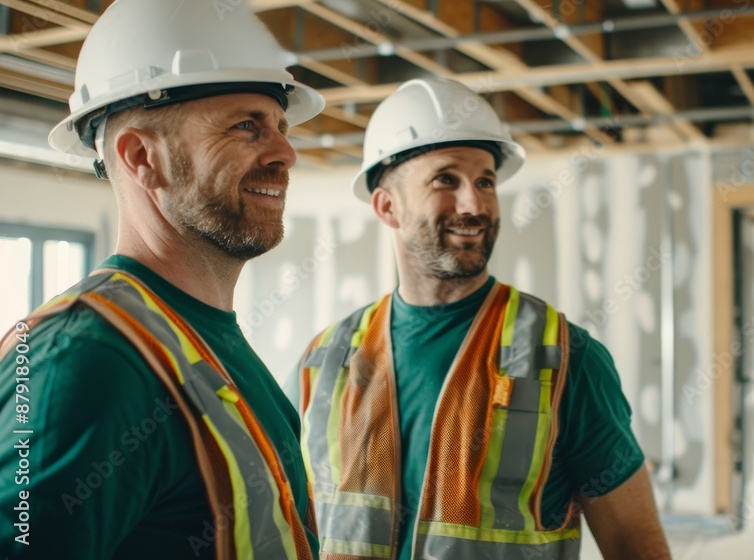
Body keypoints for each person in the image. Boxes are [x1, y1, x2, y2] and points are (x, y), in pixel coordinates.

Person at [285, 78, 671, 559]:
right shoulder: (324, 361)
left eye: (485, 181)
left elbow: (635, 543)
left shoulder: (566, 358)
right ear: (388, 207)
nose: (474, 204)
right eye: (446, 179)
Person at [0, 0, 326, 558]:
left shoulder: (201, 336)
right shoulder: (84, 357)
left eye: (279, 125)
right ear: (142, 157)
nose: (286, 152)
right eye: (246, 126)